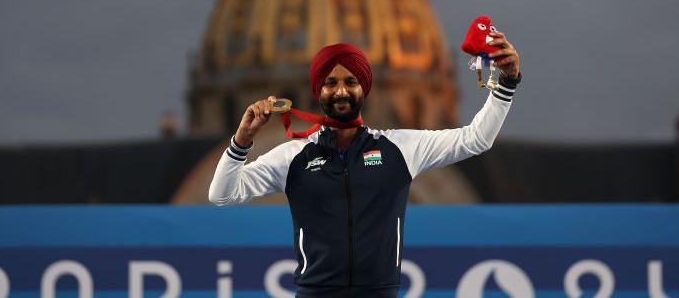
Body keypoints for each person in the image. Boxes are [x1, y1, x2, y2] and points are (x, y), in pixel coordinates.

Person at [209, 34, 521, 297]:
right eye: (330, 82)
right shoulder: (293, 156)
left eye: (350, 81)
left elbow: (477, 139)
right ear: (318, 91)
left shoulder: (399, 147)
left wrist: (505, 82)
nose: (341, 90)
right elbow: (221, 195)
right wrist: (241, 141)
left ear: (364, 89)